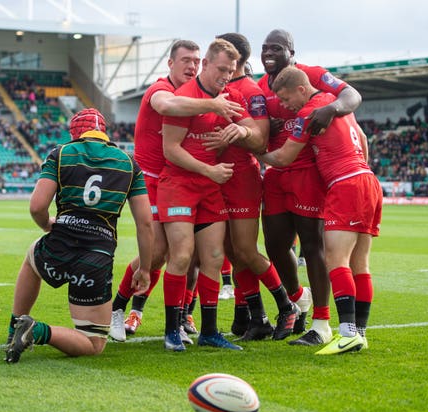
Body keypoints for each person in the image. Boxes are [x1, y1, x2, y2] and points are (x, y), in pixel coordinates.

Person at [107, 40, 244, 342]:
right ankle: (118, 308)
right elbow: (167, 106)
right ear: (170, 64)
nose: (191, 66)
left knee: (187, 255)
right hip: (151, 180)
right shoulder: (160, 90)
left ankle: (180, 315)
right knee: (157, 253)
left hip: (182, 177)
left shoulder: (201, 93)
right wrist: (213, 104)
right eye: (185, 60)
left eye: (195, 60)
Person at [4, 108, 154, 363]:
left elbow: (37, 207)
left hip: (59, 245)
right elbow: (146, 224)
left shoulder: (61, 153)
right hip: (97, 257)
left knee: (33, 258)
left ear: (75, 134)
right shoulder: (129, 164)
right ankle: (37, 331)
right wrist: (145, 269)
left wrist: (46, 226)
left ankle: (15, 327)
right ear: (104, 133)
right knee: (93, 343)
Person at [260, 67, 382, 354]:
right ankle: (359, 334)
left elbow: (283, 157)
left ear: (302, 89)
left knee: (335, 259)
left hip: (345, 184)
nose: (287, 106)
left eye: (287, 99)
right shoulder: (335, 103)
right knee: (360, 264)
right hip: (368, 180)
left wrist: (253, 150)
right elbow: (363, 140)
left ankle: (347, 332)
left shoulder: (310, 114)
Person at [158, 38, 262, 351]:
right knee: (182, 254)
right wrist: (208, 171)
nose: (226, 76)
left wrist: (242, 131)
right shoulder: (184, 97)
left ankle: (210, 331)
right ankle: (172, 330)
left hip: (209, 188)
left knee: (215, 258)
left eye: (231, 71)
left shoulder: (229, 97)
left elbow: (257, 134)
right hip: (178, 186)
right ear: (205, 65)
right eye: (220, 69)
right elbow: (170, 150)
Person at [209, 32, 298, 341]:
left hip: (242, 178)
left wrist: (241, 132)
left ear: (238, 59)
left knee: (246, 249)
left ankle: (288, 305)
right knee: (233, 253)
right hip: (218, 177)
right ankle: (256, 317)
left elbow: (259, 138)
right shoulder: (219, 88)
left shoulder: (248, 90)